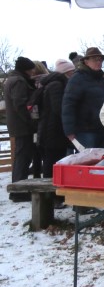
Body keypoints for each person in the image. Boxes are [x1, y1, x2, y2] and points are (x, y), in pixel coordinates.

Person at [62, 47, 104, 149]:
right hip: (84, 131)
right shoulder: (77, 78)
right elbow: (68, 105)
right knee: (88, 158)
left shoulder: (103, 80)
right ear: (86, 61)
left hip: (103, 129)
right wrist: (69, 131)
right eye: (95, 59)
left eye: (100, 60)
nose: (98, 62)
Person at [4, 56, 36, 202]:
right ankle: (19, 192)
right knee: (23, 158)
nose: (32, 72)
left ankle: (17, 190)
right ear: (26, 69)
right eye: (31, 70)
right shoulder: (19, 81)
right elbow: (20, 104)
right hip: (22, 126)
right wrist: (30, 121)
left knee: (20, 157)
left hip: (17, 125)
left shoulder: (12, 79)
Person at [38, 59, 75, 178]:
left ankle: (52, 185)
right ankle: (48, 187)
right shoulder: (56, 85)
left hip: (53, 130)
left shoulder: (57, 83)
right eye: (72, 71)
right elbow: (58, 108)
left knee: (55, 159)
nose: (73, 74)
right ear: (66, 72)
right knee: (52, 161)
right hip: (52, 130)